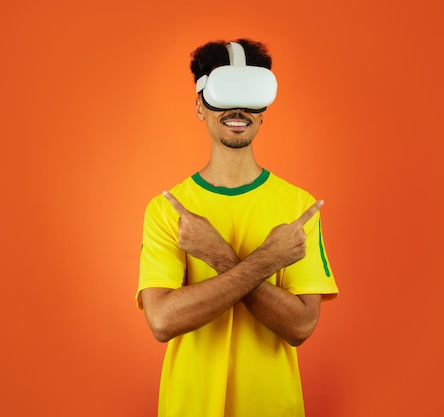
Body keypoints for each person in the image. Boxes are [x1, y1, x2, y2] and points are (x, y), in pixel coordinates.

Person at [136, 38, 339, 417]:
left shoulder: (298, 207)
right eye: (224, 96)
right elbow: (162, 321)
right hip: (188, 407)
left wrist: (218, 255)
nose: (238, 110)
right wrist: (267, 261)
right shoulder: (166, 211)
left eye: (250, 97)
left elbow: (300, 326)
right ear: (199, 105)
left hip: (272, 407)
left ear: (264, 111)